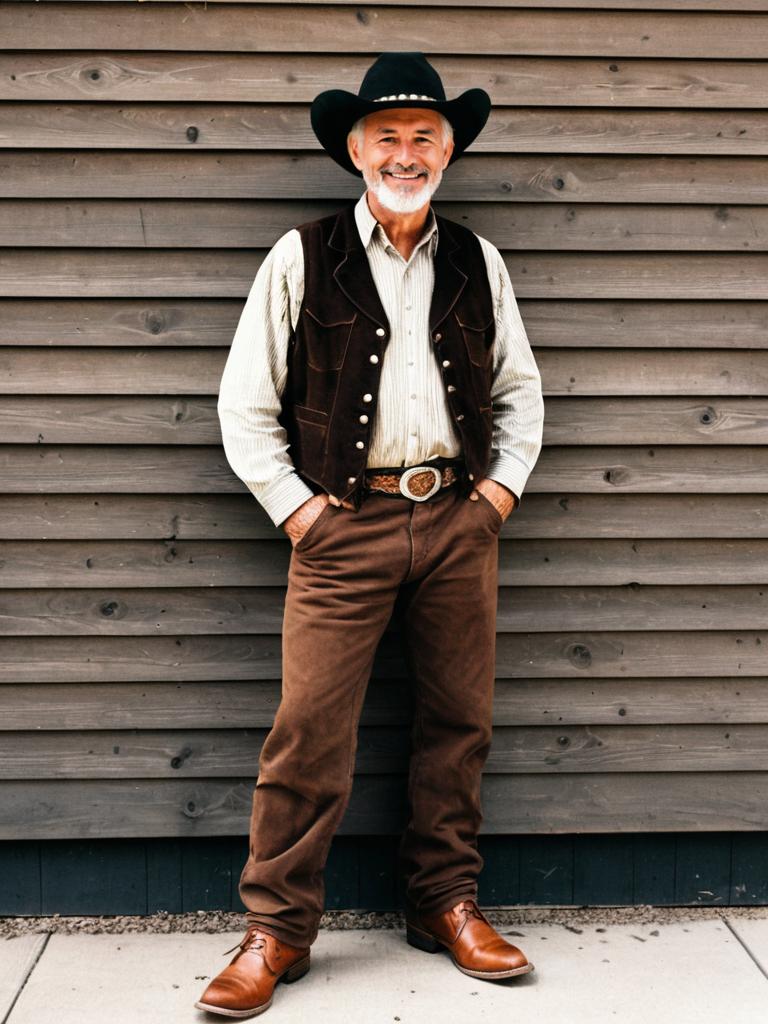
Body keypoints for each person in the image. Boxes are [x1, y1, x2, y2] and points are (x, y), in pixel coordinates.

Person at [195, 51, 544, 1019]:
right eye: (386, 136)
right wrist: (299, 511)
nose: (405, 153)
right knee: (308, 734)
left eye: (423, 136)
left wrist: (496, 497)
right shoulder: (302, 257)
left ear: (448, 151)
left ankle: (446, 903)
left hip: (460, 520)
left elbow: (521, 394)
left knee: (457, 723)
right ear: (354, 149)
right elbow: (243, 407)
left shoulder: (478, 260)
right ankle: (277, 930)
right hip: (341, 526)